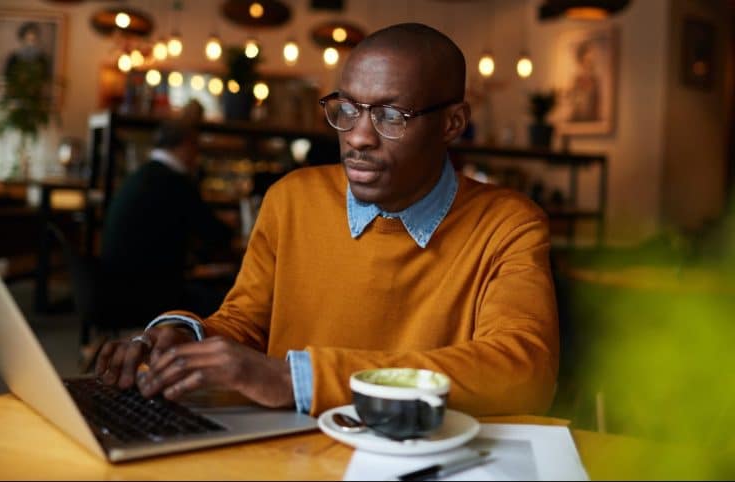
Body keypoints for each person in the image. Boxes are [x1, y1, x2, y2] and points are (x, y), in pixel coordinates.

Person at [96, 23, 559, 418]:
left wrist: (299, 379)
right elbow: (245, 323)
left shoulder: (508, 224)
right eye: (349, 108)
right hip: (288, 449)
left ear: (452, 124)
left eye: (391, 115)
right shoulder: (291, 199)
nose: (358, 137)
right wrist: (180, 337)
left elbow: (521, 371)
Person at [99, 106, 235, 323]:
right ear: (186, 145)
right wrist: (234, 224)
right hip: (147, 294)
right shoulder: (175, 181)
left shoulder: (143, 174)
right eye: (196, 147)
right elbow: (216, 235)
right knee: (234, 308)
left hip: (113, 287)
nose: (197, 155)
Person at [567, 41, 601, 123]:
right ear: (581, 61)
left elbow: (597, 105)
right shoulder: (576, 81)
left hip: (592, 120)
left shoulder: (595, 81)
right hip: (577, 118)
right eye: (587, 60)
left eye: (591, 60)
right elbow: (571, 102)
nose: (590, 63)